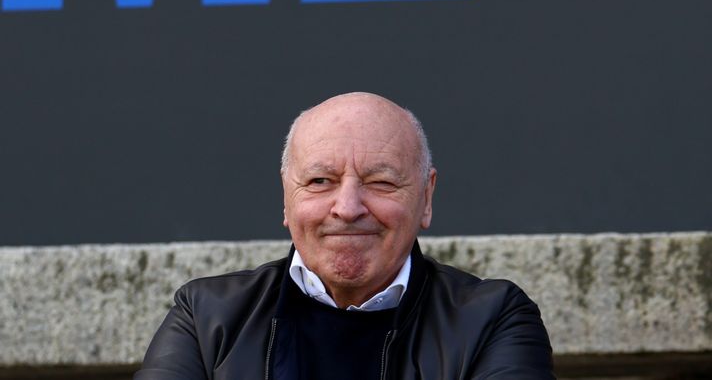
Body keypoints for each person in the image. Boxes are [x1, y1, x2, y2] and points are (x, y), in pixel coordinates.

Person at [135, 92, 554, 380]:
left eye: (380, 182)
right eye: (320, 181)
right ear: (287, 199)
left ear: (425, 197)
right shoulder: (206, 316)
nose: (348, 207)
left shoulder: (493, 319)